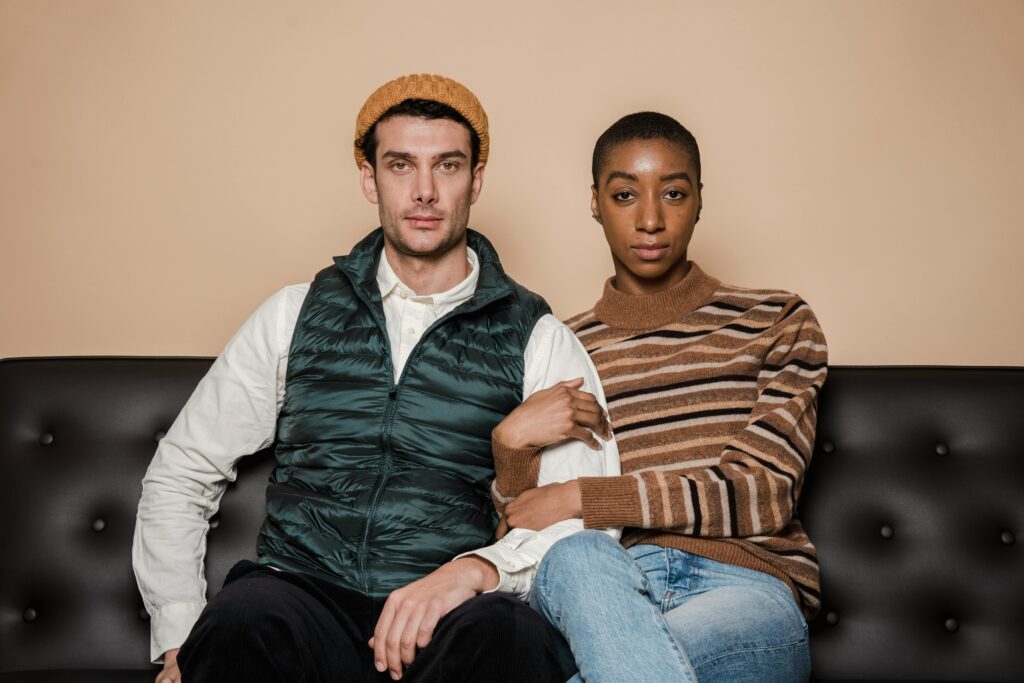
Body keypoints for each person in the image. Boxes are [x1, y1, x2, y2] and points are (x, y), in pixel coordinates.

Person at [132, 74, 618, 683]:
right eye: (400, 165)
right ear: (370, 179)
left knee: (511, 635)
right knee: (242, 615)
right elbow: (183, 470)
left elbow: (585, 520)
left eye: (447, 165)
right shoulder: (295, 312)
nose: (424, 191)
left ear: (476, 179)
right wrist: (180, 636)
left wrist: (473, 572)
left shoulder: (538, 336)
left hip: (444, 615)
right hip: (301, 597)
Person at [490, 111, 828, 682]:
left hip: (744, 588)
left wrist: (583, 496)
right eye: (625, 195)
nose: (650, 219)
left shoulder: (776, 319)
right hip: (600, 591)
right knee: (576, 556)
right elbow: (522, 531)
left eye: (673, 193)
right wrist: (510, 444)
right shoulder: (557, 348)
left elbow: (764, 491)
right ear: (595, 202)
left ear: (699, 200)